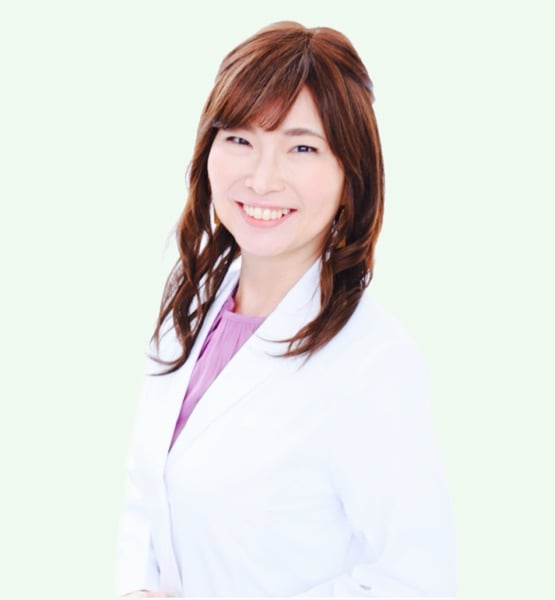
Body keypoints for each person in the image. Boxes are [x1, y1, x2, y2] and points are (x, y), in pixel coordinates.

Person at [116, 21, 456, 598]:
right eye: (240, 139)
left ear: (351, 176)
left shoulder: (375, 362)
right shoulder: (189, 304)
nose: (261, 178)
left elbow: (415, 582)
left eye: (302, 148)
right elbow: (149, 493)